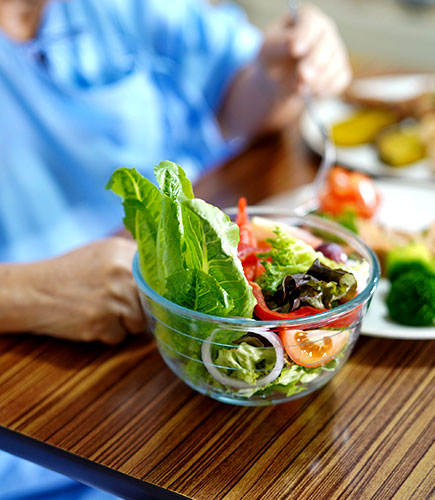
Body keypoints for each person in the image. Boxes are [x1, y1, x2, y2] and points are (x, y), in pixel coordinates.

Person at [0, 0, 351, 498]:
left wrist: (276, 76)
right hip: (35, 421)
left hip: (169, 373)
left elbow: (236, 98)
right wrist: (26, 294)